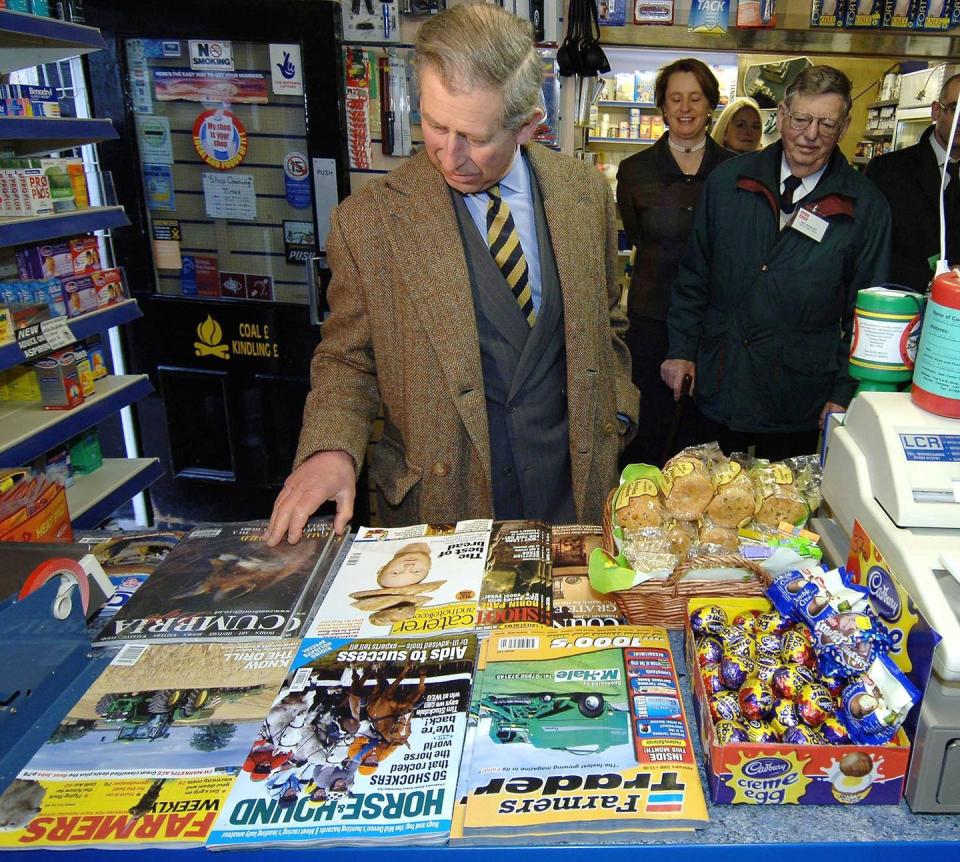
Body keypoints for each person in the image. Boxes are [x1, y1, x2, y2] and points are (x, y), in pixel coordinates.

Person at [266, 5, 637, 544]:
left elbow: (608, 321)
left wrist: (618, 415)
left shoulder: (584, 194)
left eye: (474, 136)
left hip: (574, 494)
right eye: (435, 124)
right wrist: (329, 449)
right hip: (441, 504)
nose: (449, 153)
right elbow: (348, 358)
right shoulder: (369, 222)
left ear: (529, 124)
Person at [662, 66, 892, 462]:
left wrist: (842, 393)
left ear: (845, 126)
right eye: (801, 119)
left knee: (786, 514)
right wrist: (681, 349)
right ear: (782, 115)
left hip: (797, 398)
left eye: (826, 123)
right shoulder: (728, 182)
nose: (810, 134)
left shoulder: (867, 207)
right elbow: (694, 275)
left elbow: (866, 317)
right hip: (720, 381)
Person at [615, 59, 733, 467]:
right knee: (650, 427)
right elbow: (637, 235)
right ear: (662, 108)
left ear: (711, 104)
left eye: (695, 98)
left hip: (714, 321)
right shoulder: (635, 171)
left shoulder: (734, 171)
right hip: (651, 319)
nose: (685, 108)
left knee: (705, 433)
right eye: (675, 98)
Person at [865, 73, 960, 293]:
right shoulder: (888, 170)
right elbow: (869, 247)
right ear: (936, 110)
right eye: (955, 109)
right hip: (900, 304)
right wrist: (930, 281)